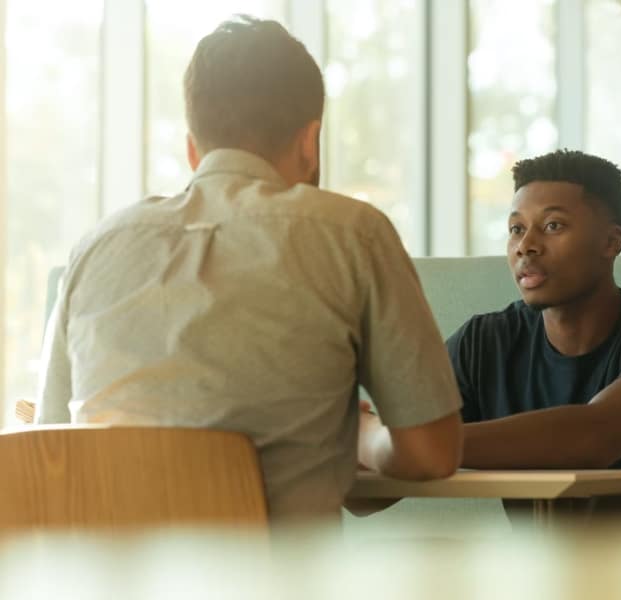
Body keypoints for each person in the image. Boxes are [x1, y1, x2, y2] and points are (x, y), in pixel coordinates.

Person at [36, 16, 462, 525]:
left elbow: (50, 448)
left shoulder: (95, 248)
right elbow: (432, 454)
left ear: (193, 149)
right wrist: (364, 435)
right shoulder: (353, 233)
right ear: (310, 142)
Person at [445, 149, 621, 513]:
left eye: (552, 226)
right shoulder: (484, 343)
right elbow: (368, 496)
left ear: (611, 242)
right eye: (516, 228)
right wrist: (371, 442)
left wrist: (412, 446)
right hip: (535, 569)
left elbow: (595, 437)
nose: (525, 246)